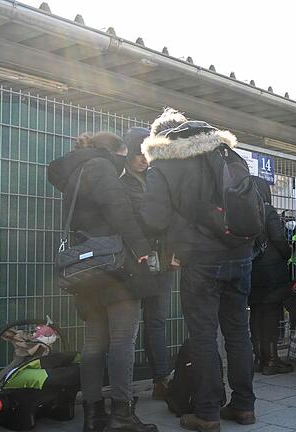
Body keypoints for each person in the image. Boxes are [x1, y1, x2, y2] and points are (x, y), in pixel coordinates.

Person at [140, 109, 257, 430]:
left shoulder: (164, 163)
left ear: (162, 137)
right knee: (238, 332)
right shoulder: (229, 154)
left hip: (201, 260)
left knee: (204, 336)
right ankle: (245, 407)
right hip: (241, 254)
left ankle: (207, 412)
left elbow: (154, 218)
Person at [47, 132, 157, 432]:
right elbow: (120, 212)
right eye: (123, 157)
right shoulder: (101, 167)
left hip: (85, 271)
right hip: (113, 269)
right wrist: (144, 250)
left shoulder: (76, 173)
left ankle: (94, 416)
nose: (125, 164)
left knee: (94, 342)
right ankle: (122, 416)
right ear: (115, 154)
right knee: (122, 340)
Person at [121, 127, 174, 400]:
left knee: (156, 321)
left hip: (162, 260)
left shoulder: (155, 180)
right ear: (127, 153)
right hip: (134, 261)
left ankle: (161, 379)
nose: (143, 158)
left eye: (146, 153)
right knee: (127, 326)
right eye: (137, 153)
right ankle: (123, 389)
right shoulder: (121, 182)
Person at [249, 177, 294, 375]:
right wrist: (286, 253)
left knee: (256, 313)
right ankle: (272, 359)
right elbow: (278, 238)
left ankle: (258, 358)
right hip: (271, 271)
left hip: (251, 269)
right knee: (271, 314)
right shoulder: (267, 210)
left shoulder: (243, 210)